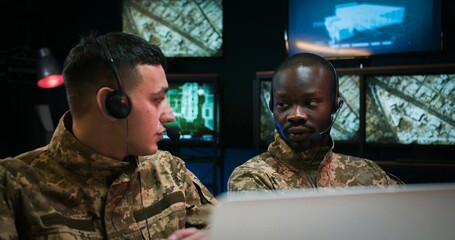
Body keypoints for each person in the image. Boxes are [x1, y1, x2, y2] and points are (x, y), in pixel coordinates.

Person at [0, 32, 216, 239]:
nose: (169, 115)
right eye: (157, 99)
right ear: (113, 104)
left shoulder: (170, 170)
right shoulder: (11, 186)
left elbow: (230, 230)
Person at [229, 53, 402, 191]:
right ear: (271, 106)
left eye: (310, 103)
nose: (296, 115)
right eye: (283, 104)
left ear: (335, 105)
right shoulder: (254, 177)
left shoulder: (368, 174)